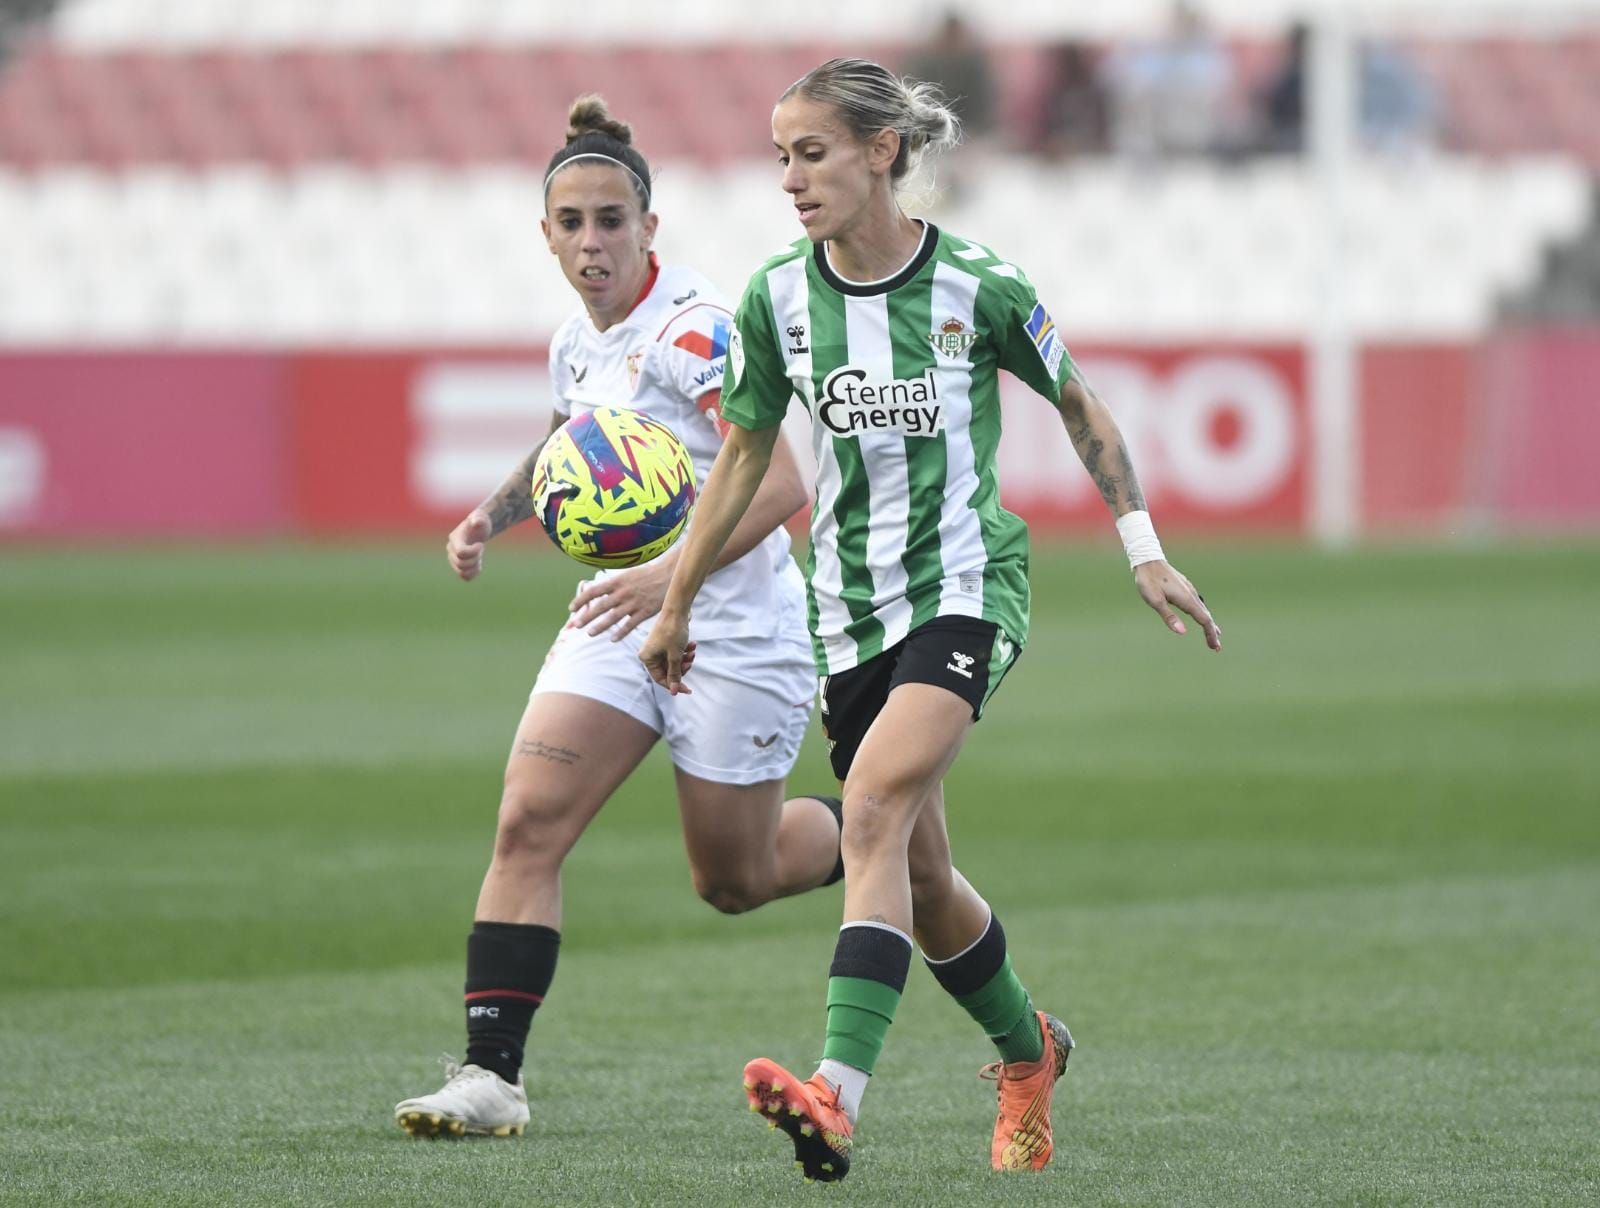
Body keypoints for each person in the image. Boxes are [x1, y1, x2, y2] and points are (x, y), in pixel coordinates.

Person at [638, 58, 1221, 1182]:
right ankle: (1028, 1053)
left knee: (871, 809)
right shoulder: (775, 300)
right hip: (848, 614)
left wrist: (1140, 545)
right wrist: (675, 600)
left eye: (811, 154)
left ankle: (835, 1095)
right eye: (780, 159)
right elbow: (746, 459)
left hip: (964, 587)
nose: (792, 180)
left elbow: (1081, 404)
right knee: (921, 876)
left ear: (881, 153)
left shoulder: (980, 283)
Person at [393, 95, 846, 1139]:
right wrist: (490, 515)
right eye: (571, 223)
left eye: (611, 220)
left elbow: (782, 481)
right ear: (545, 233)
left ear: (650, 227)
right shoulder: (574, 340)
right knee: (527, 818)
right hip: (615, 618)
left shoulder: (700, 330)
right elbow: (569, 442)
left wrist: (674, 582)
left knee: (731, 879)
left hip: (734, 631)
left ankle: (871, 830)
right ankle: (490, 1074)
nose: (592, 241)